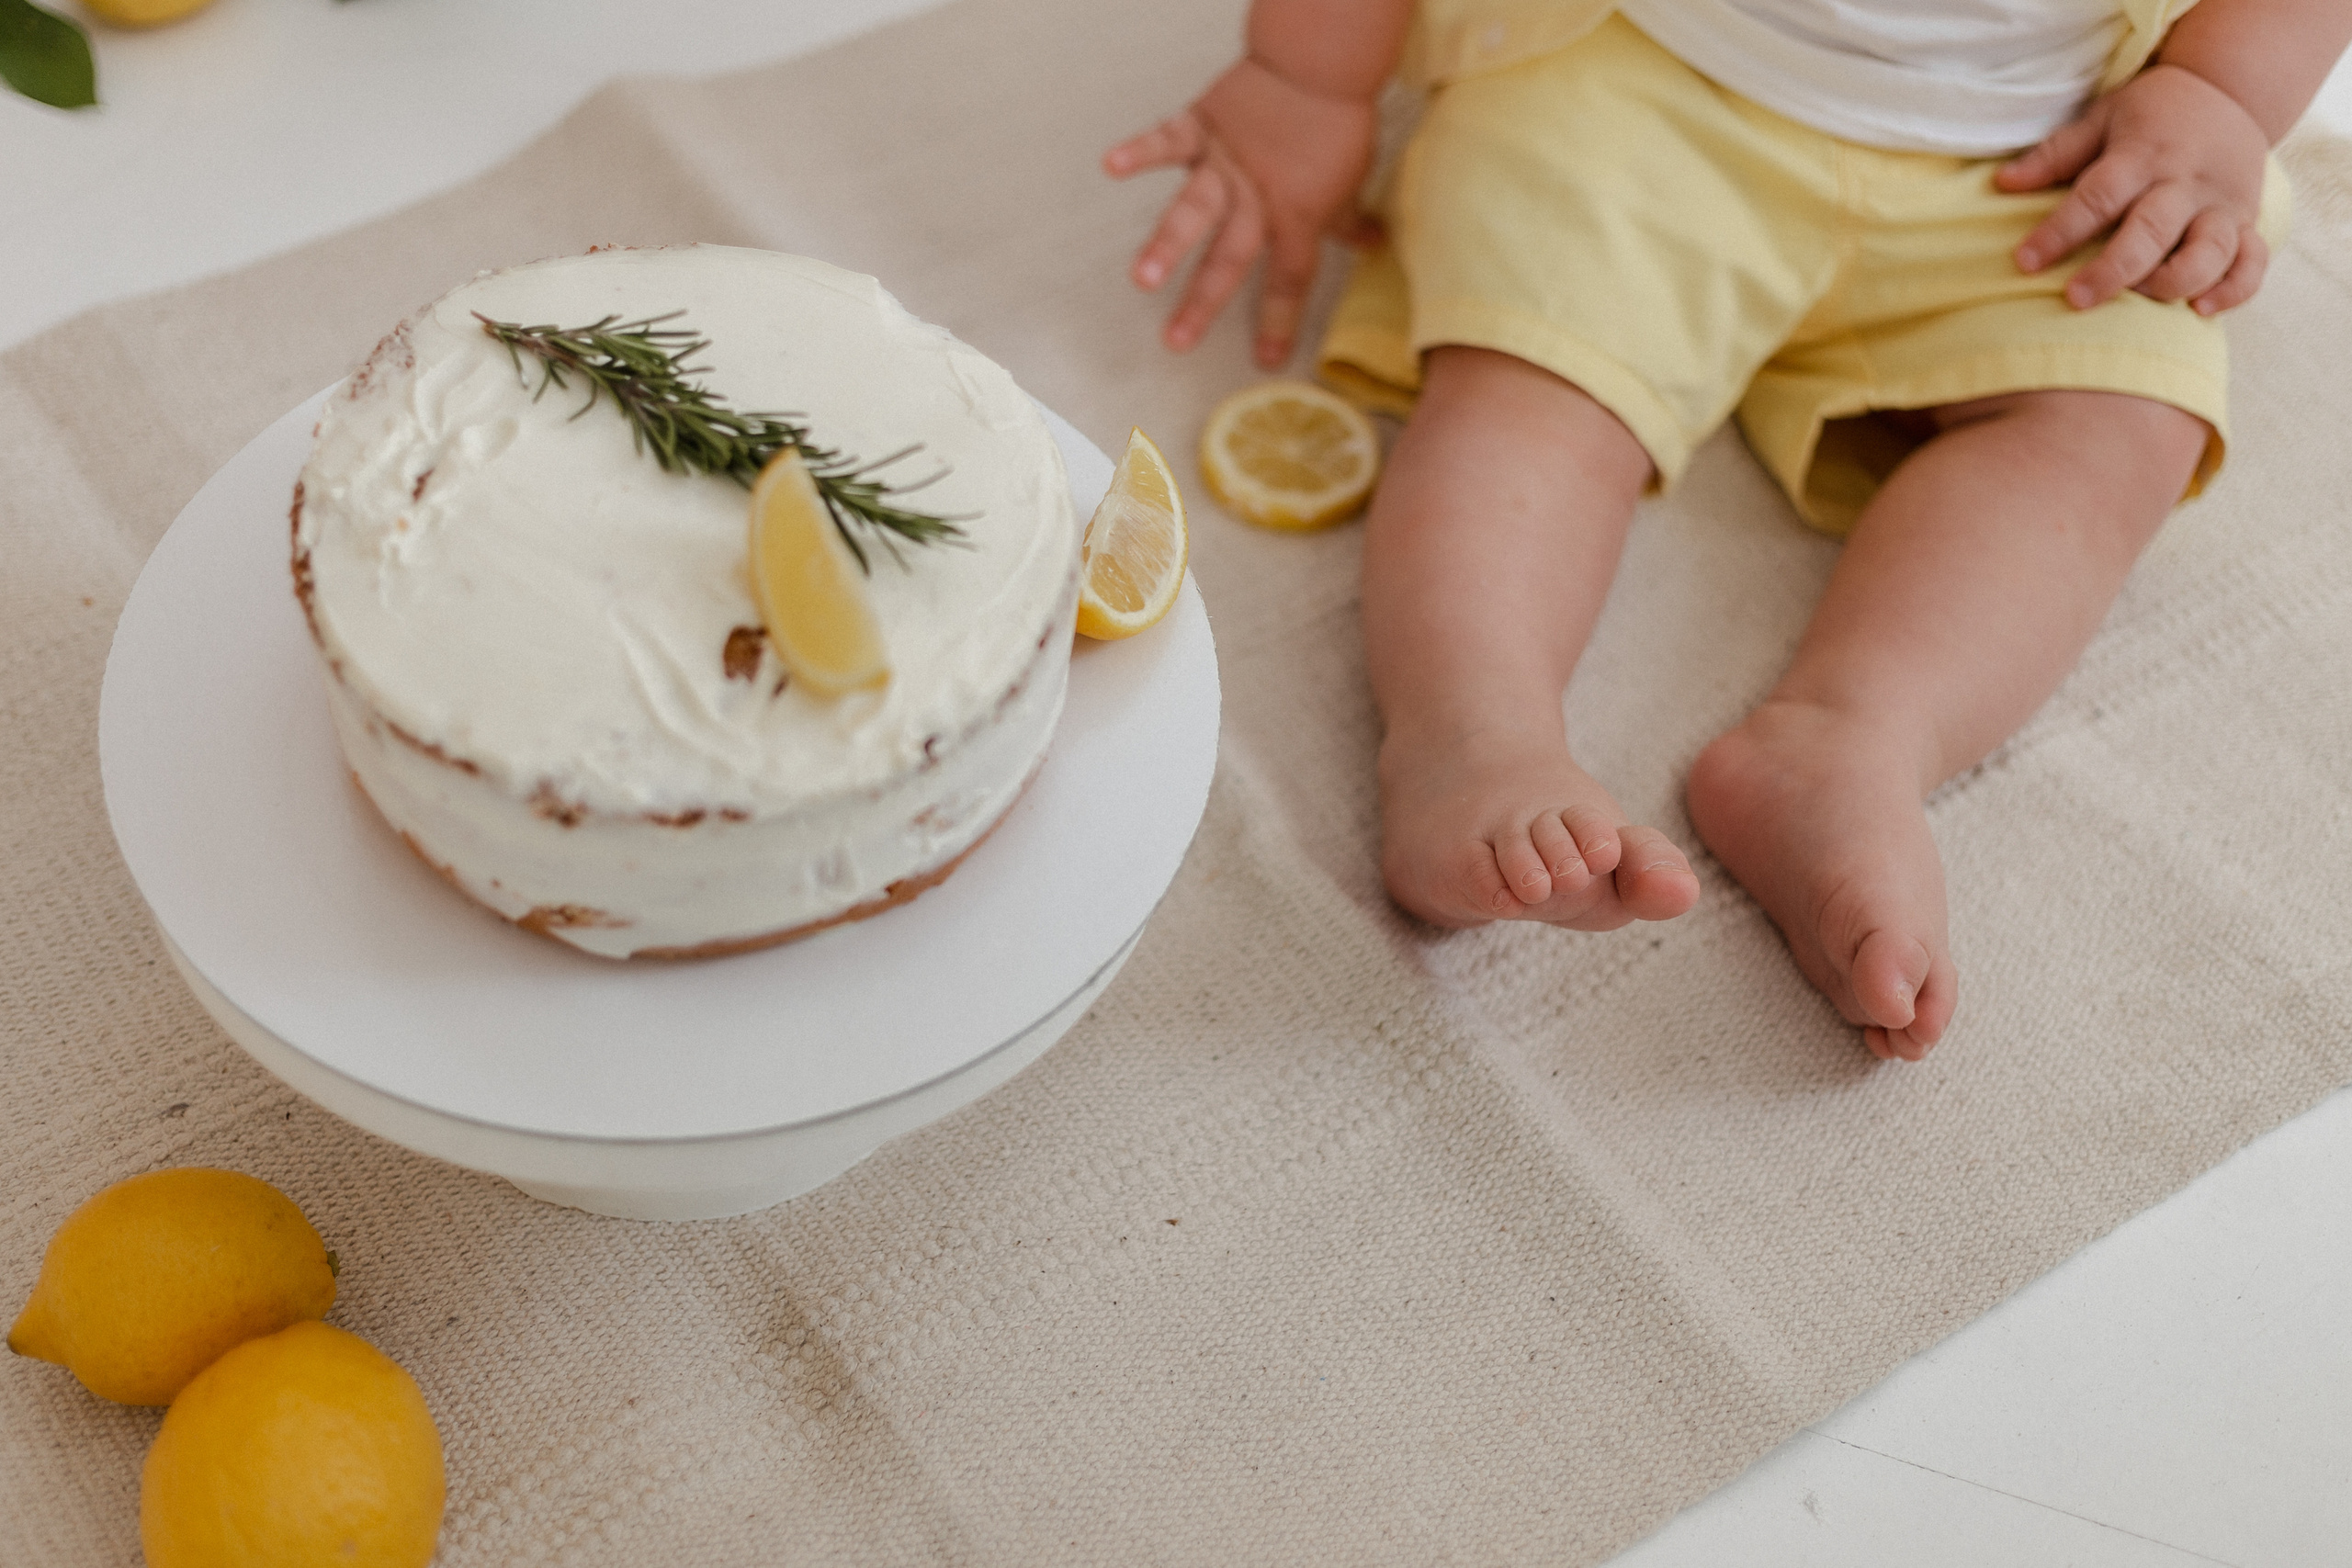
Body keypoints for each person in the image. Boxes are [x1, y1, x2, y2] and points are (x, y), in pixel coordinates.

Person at [1104, 0, 2350, 1060]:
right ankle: (1473, 733)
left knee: (2118, 418)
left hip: (2044, 149)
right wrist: (1307, 79)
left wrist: (2218, 91)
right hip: (1647, 76)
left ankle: (1852, 744)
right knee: (1531, 393)